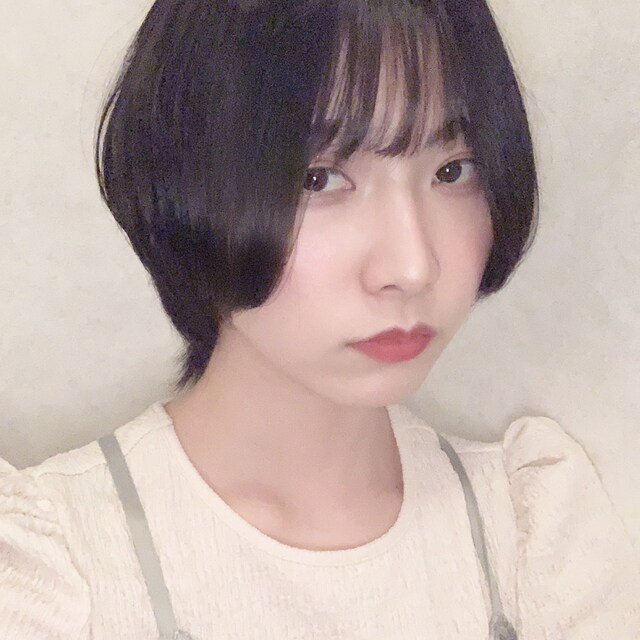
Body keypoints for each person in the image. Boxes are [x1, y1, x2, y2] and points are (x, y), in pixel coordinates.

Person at [1, 0, 639, 638]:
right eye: (319, 179)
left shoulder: (529, 537)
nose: (412, 267)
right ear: (185, 184)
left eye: (452, 171)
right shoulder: (58, 566)